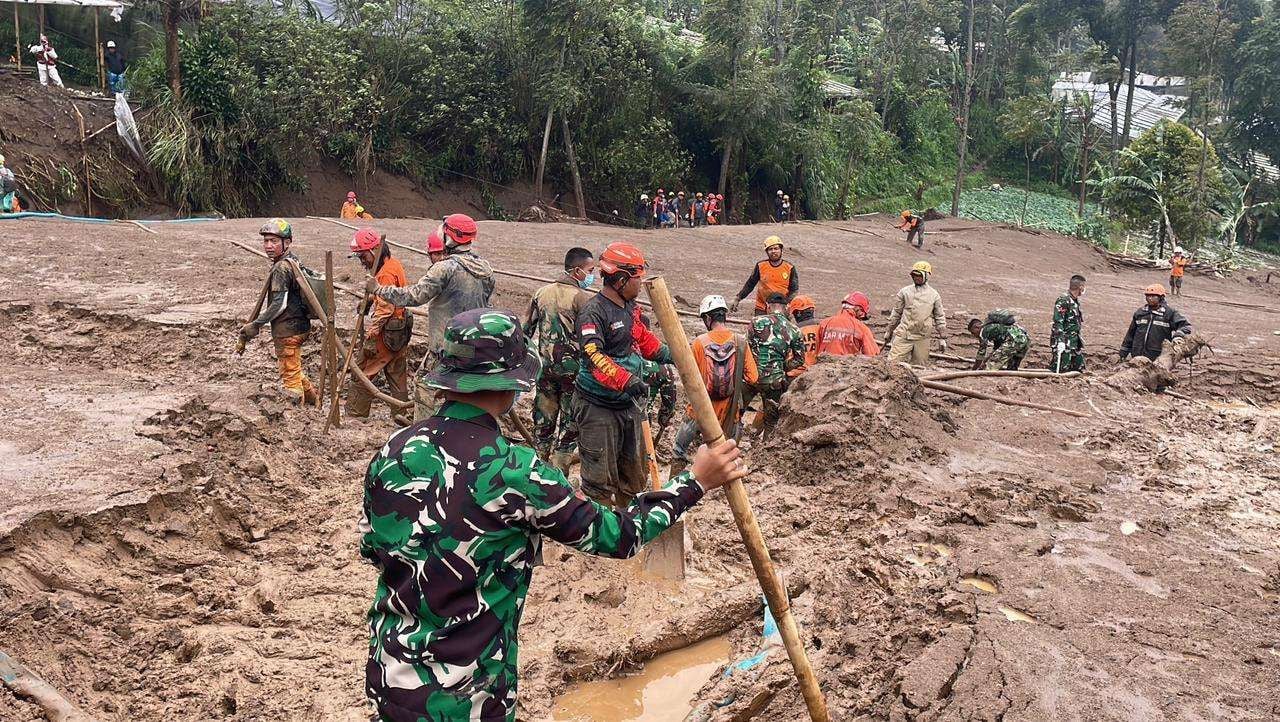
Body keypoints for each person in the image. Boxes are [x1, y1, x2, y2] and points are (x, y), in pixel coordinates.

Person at [359, 307, 747, 722]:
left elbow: (372, 544)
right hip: (466, 694)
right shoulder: (515, 470)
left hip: (391, 674)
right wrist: (695, 481)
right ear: (511, 386)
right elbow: (618, 536)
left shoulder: (394, 450)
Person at [572, 242, 673, 507]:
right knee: (599, 482)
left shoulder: (630, 308)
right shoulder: (593, 312)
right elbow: (594, 357)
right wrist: (627, 380)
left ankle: (629, 527)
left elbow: (643, 338)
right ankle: (600, 538)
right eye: (637, 279)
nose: (640, 285)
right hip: (598, 406)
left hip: (628, 404)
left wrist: (675, 354)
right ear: (621, 279)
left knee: (635, 476)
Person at [367, 213, 495, 419]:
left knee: (425, 385)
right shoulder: (486, 270)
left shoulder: (444, 268)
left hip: (446, 346)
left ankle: (423, 430)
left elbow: (415, 295)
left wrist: (379, 289)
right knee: (463, 391)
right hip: (474, 345)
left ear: (450, 238)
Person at [523, 247, 595, 470]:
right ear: (577, 271)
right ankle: (558, 479)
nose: (592, 275)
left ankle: (535, 473)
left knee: (542, 425)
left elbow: (526, 331)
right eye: (590, 270)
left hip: (544, 370)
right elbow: (590, 341)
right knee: (569, 427)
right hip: (573, 374)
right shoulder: (583, 299)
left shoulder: (541, 293)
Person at [672, 295, 758, 471]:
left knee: (679, 450)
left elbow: (687, 377)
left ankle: (673, 493)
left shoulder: (698, 343)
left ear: (707, 318)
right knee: (728, 456)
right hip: (730, 412)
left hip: (699, 410)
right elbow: (753, 378)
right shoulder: (740, 342)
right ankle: (725, 493)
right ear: (724, 316)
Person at [238, 219, 318, 404]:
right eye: (266, 241)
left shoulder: (281, 268)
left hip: (288, 331)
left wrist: (256, 324)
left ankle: (295, 415)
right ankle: (315, 402)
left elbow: (279, 304)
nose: (268, 246)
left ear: (287, 242)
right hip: (301, 326)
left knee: (290, 378)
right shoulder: (293, 260)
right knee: (295, 369)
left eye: (274, 241)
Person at [347, 228, 412, 418]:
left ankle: (356, 414)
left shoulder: (385, 274)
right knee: (397, 373)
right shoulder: (393, 264)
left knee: (363, 370)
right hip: (400, 328)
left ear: (375, 251)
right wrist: (368, 301)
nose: (362, 261)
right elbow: (387, 296)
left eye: (363, 256)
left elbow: (385, 309)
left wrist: (371, 335)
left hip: (388, 330)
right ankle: (401, 413)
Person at [743, 293, 805, 433]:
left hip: (750, 377)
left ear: (767, 306)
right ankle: (764, 453)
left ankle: (729, 448)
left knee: (736, 415)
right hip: (774, 380)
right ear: (786, 308)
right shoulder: (794, 330)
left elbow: (744, 346)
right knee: (771, 422)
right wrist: (781, 366)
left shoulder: (755, 322)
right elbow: (800, 359)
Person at [883, 261, 947, 366]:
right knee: (892, 365)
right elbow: (896, 313)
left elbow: (939, 317)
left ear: (926, 276)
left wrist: (943, 338)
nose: (916, 278)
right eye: (914, 275)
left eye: (919, 275)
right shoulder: (904, 292)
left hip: (922, 338)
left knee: (919, 368)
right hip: (903, 335)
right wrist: (889, 331)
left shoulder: (934, 295)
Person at [1120, 283, 1193, 362]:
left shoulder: (1169, 313)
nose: (1150, 298)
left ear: (1161, 297)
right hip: (1137, 355)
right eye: (1148, 296)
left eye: (1153, 296)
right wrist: (1123, 353)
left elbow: (1186, 326)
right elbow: (1130, 334)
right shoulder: (1140, 313)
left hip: (1158, 357)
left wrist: (1178, 336)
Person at [731, 236, 799, 315]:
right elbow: (750, 284)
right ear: (767, 252)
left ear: (781, 250)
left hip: (781, 309)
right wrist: (738, 298)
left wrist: (784, 304)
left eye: (776, 248)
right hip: (762, 308)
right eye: (770, 249)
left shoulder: (789, 267)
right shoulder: (761, 266)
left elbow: (794, 290)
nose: (773, 251)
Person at [637, 313, 677, 445]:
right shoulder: (662, 369)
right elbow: (669, 402)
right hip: (642, 423)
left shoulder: (620, 360)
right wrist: (663, 420)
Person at [816, 292, 880, 357]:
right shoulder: (861, 328)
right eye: (862, 315)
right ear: (858, 309)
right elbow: (872, 355)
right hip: (846, 365)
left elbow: (815, 348)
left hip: (824, 365)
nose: (861, 318)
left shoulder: (824, 323)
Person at [1050, 274, 1086, 372]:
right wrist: (1060, 341)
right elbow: (1058, 321)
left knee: (1079, 368)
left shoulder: (1075, 301)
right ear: (1080, 287)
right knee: (1061, 368)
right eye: (1084, 286)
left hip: (1074, 341)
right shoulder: (1063, 300)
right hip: (1064, 341)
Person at [787, 295, 820, 373]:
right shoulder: (822, 327)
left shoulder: (792, 330)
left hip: (795, 373)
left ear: (798, 313)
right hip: (817, 373)